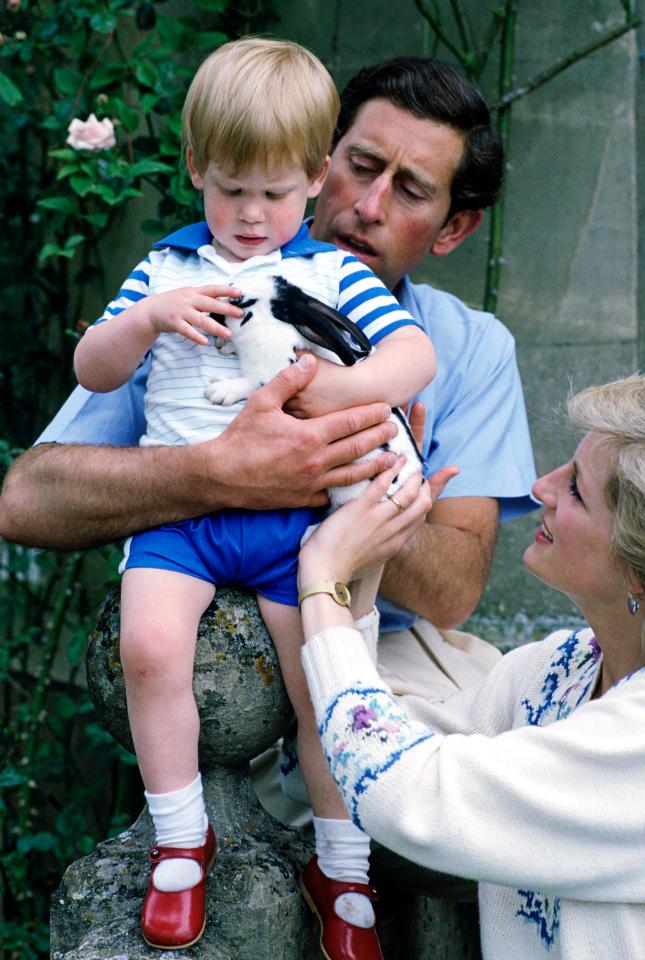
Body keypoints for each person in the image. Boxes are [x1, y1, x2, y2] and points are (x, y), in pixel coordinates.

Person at [0, 53, 536, 957]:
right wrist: (219, 470)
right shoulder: (193, 290)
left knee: (469, 773)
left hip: (376, 632)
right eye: (361, 166)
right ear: (325, 159)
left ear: (454, 227)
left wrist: (350, 467)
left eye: (410, 191)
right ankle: (198, 842)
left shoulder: (466, 345)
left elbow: (450, 591)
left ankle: (348, 873)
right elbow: (27, 498)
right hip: (204, 600)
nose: (366, 204)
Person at [70, 37, 434, 953]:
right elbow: (92, 364)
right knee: (148, 648)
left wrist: (333, 388)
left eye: (273, 193)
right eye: (229, 189)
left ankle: (340, 867)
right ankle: (180, 840)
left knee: (323, 687)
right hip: (180, 520)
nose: (247, 214)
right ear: (195, 167)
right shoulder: (167, 268)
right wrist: (147, 320)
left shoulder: (328, 274)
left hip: (294, 528)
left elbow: (410, 358)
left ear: (315, 181)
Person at [297, 373, 645, 960]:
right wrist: (371, 552)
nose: (542, 487)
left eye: (578, 491)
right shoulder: (559, 667)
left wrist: (322, 579)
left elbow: (403, 791)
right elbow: (364, 750)